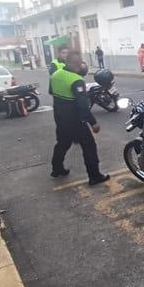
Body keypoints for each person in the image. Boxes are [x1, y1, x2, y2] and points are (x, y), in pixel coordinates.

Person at [49, 50, 109, 186]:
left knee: (62, 143)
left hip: (59, 117)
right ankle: (94, 176)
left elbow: (51, 92)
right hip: (74, 120)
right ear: (78, 63)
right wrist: (93, 123)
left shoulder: (55, 75)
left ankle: (57, 169)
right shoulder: (76, 80)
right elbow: (83, 106)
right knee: (89, 146)